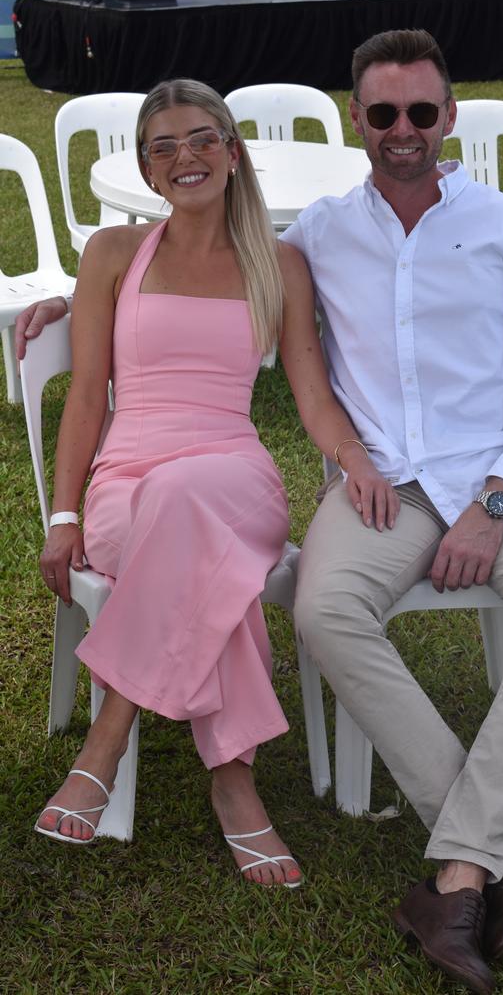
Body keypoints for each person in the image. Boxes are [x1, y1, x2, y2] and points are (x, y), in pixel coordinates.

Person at [17, 29, 503, 990]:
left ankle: (455, 857)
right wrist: (56, 325)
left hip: (409, 474)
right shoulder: (249, 241)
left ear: (448, 117)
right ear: (359, 124)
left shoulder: (430, 239)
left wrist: (435, 481)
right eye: (383, 114)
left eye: (421, 112)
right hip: (244, 484)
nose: (403, 129)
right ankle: (240, 777)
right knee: (247, 557)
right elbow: (115, 352)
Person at [21, 78, 397, 889]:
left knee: (195, 505)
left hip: (235, 473)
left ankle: (107, 738)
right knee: (187, 528)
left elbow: (313, 395)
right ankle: (233, 782)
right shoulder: (112, 255)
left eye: (201, 139)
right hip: (130, 484)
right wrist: (63, 515)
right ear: (149, 172)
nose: (185, 156)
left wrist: (355, 458)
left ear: (233, 152)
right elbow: (87, 396)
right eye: (165, 147)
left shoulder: (280, 264)